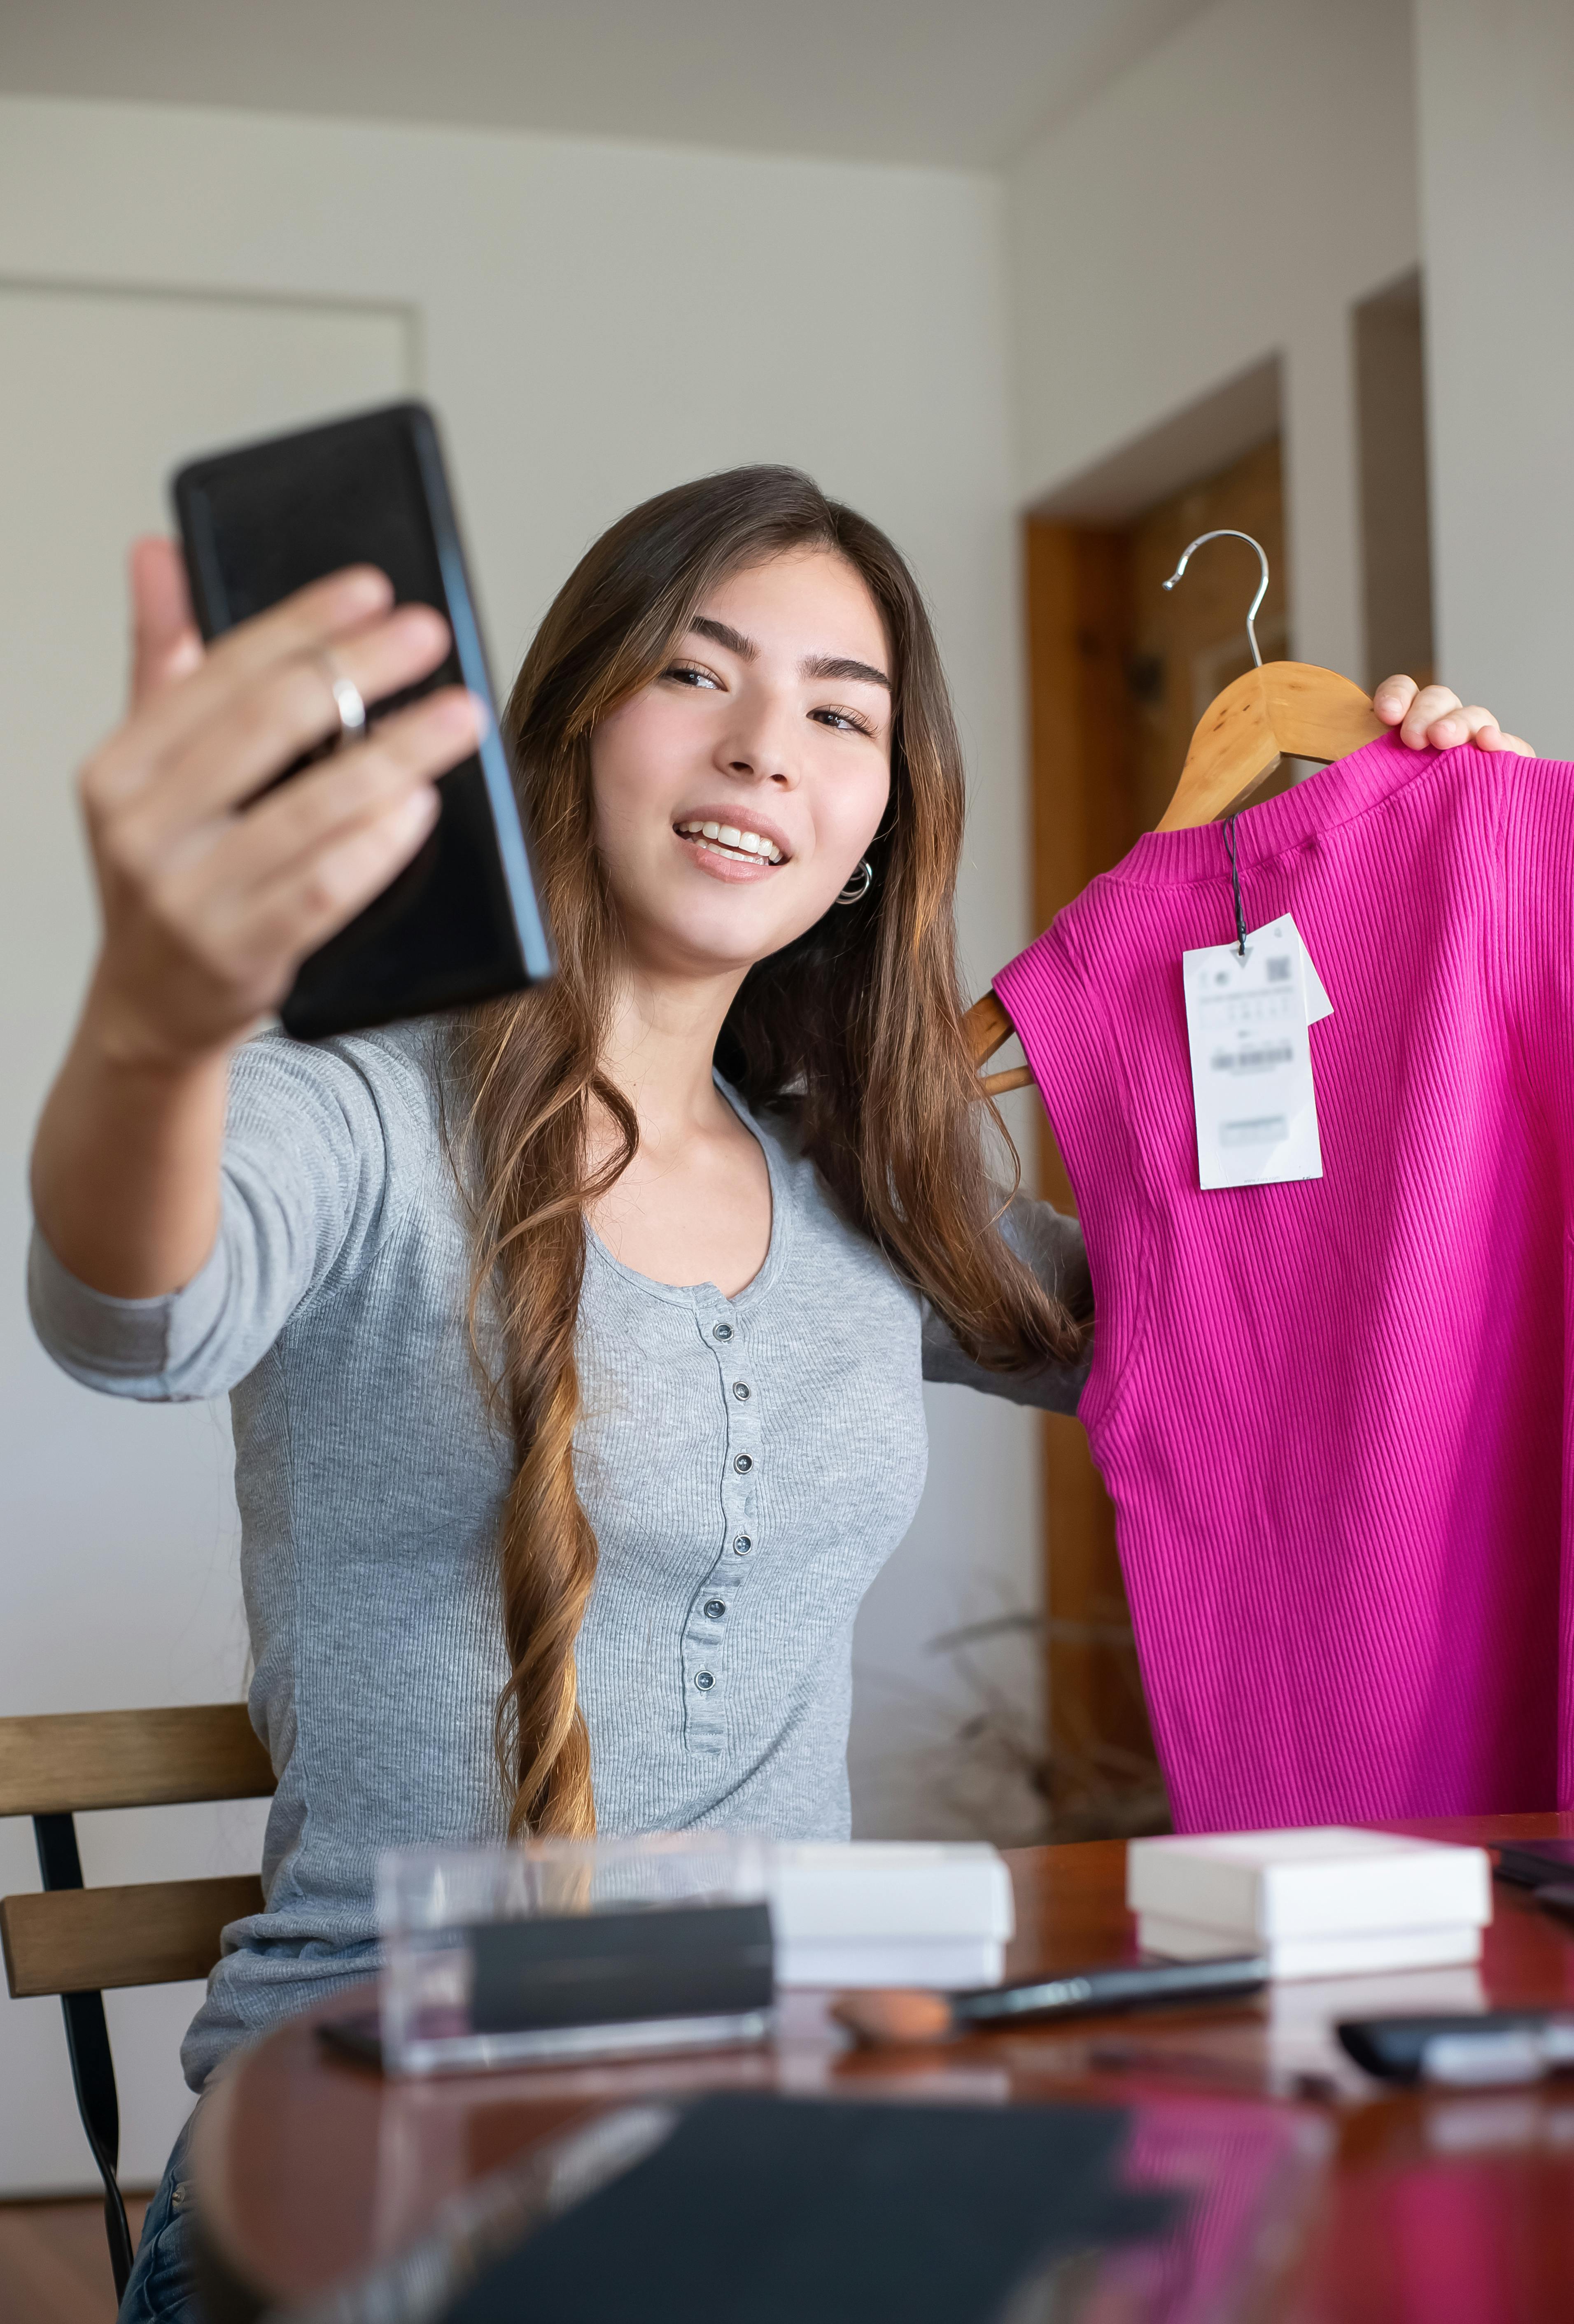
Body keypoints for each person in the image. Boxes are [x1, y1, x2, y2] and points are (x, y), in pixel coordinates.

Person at [27, 466, 1527, 2321]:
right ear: (571, 725)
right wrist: (160, 1020)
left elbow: (1270, 1337)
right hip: (359, 2131)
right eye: (697, 675)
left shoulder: (865, 1187)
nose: (763, 750)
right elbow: (128, 1309)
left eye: (839, 714)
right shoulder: (358, 1111)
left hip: (778, 2121)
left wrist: (1428, 885)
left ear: (877, 820)